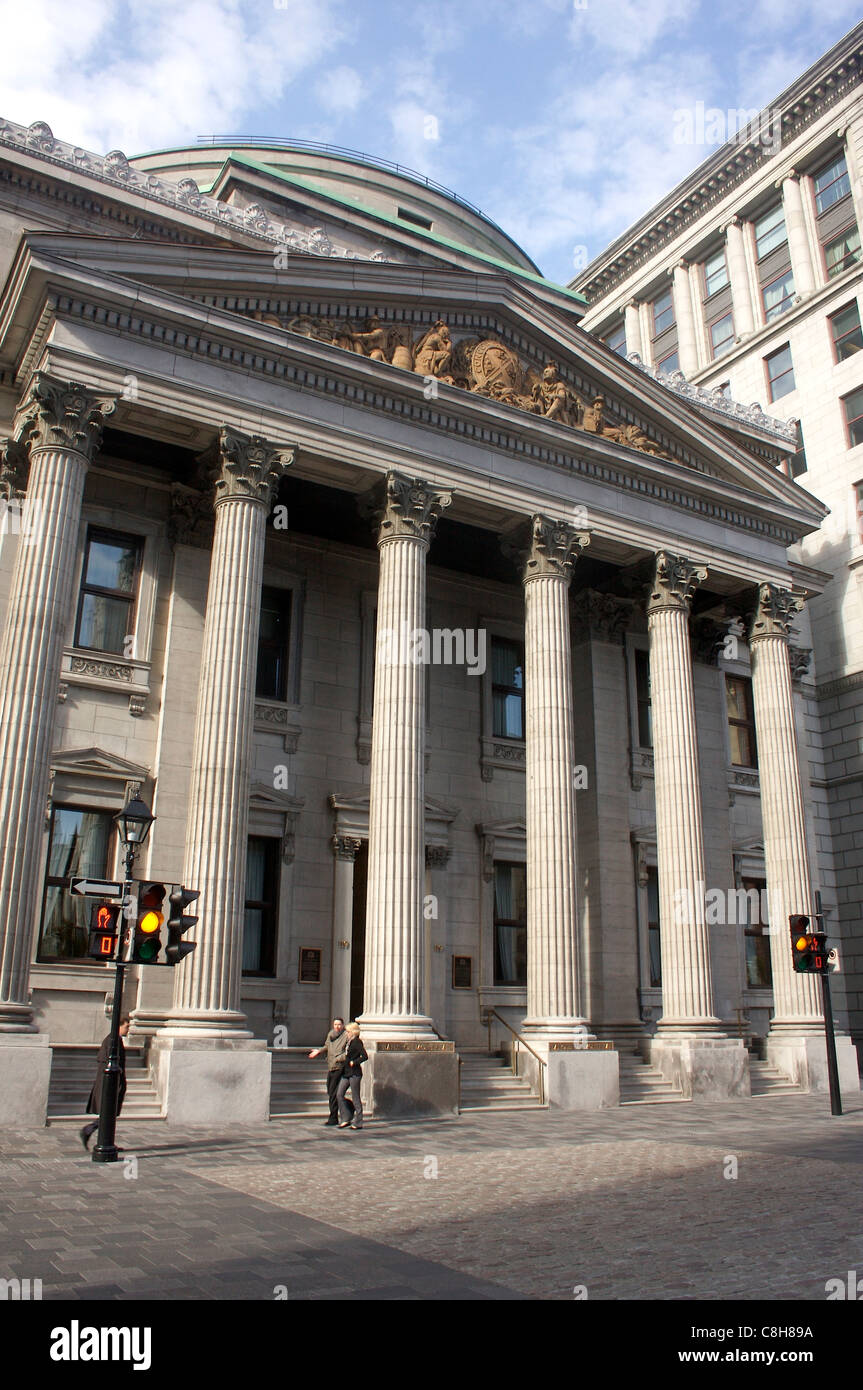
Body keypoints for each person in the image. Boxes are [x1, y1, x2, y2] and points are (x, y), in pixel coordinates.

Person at [80, 1016, 129, 1151]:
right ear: (119, 1026)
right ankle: (90, 1131)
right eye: (126, 1026)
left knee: (109, 1114)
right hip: (109, 1085)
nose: (128, 1029)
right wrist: (117, 1085)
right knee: (108, 1113)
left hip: (111, 1084)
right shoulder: (112, 1041)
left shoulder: (115, 1040)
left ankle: (106, 1141)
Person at [308, 1017, 353, 1126]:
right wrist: (318, 1051)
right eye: (335, 1024)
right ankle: (350, 1107)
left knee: (334, 1093)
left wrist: (338, 1058)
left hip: (339, 1067)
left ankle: (333, 1117)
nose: (337, 1027)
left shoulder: (346, 1035)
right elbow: (327, 1046)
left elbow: (347, 1052)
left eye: (339, 1024)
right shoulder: (331, 1034)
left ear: (343, 1025)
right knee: (330, 1091)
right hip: (331, 1066)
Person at [336, 1023, 368, 1130]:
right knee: (339, 1094)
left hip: (354, 1073)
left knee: (355, 1097)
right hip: (346, 1072)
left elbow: (365, 1056)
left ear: (353, 1032)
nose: (347, 1033)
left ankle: (358, 1122)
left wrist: (354, 1062)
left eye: (348, 1032)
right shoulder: (348, 1042)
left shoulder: (357, 1042)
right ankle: (346, 1117)